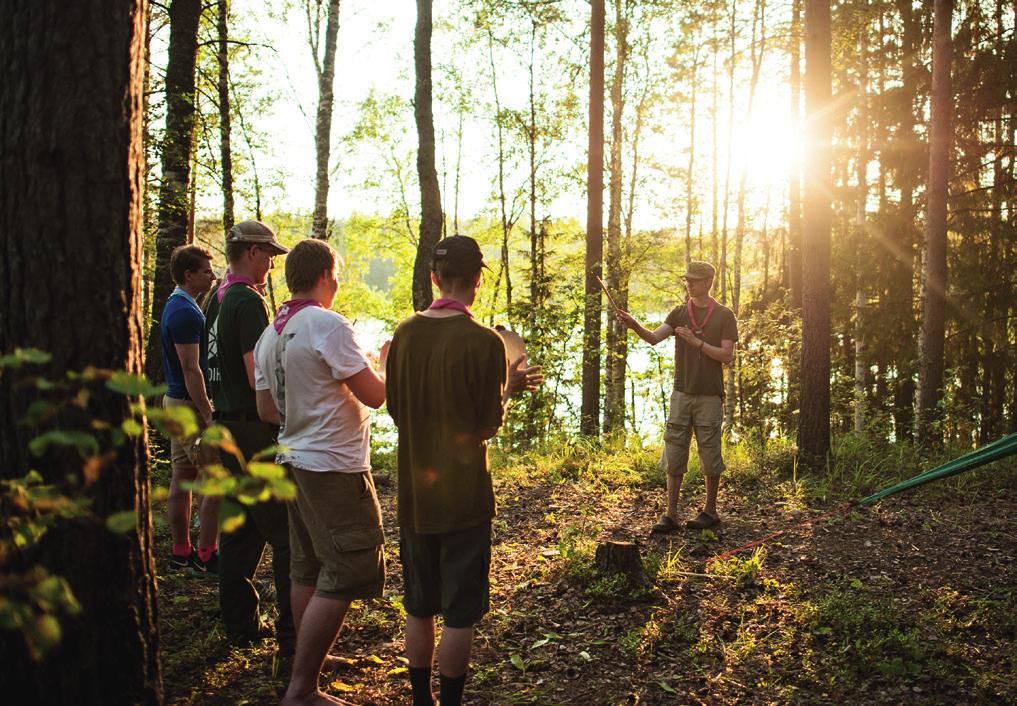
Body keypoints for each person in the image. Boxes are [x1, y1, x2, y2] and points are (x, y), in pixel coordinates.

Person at [385, 235, 542, 706]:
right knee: (459, 611)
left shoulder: (405, 334)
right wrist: (509, 388)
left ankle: (420, 700)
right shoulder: (484, 342)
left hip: (415, 494)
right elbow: (486, 426)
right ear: (477, 281)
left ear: (434, 278)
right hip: (465, 499)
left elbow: (395, 409)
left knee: (419, 603)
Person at [253, 239, 388, 706]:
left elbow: (266, 409)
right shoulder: (327, 325)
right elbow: (374, 395)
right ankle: (303, 689)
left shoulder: (272, 332)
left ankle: (310, 659)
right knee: (350, 568)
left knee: (306, 566)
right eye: (338, 276)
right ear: (327, 274)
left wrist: (305, 411)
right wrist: (385, 363)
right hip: (332, 466)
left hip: (291, 459)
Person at [202, 219, 294, 649]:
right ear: (253, 252)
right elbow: (258, 371)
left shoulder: (213, 299)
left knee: (239, 532)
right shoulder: (247, 301)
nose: (273, 266)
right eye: (270, 257)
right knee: (285, 533)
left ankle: (239, 623)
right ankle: (293, 630)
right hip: (253, 429)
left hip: (224, 423)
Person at [616, 260, 737, 532]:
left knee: (710, 453)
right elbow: (654, 338)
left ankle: (710, 511)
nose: (689, 284)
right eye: (687, 280)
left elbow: (727, 356)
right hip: (681, 393)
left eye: (694, 280)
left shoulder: (724, 315)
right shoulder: (679, 313)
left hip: (709, 396)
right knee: (674, 450)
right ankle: (670, 515)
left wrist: (698, 343)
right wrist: (635, 324)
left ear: (707, 283)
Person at [160, 244, 220, 575]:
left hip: (175, 401)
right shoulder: (184, 312)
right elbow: (191, 367)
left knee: (183, 477)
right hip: (187, 404)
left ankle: (180, 551)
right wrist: (208, 413)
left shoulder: (179, 304)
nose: (212, 277)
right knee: (215, 477)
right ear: (189, 275)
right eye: (206, 272)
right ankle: (207, 555)